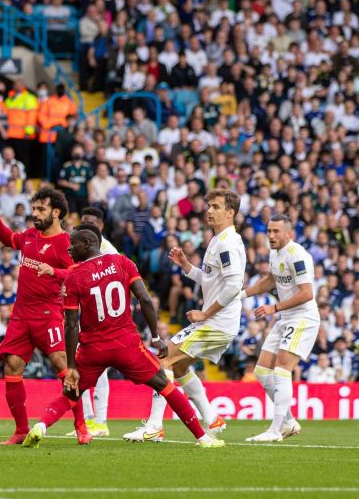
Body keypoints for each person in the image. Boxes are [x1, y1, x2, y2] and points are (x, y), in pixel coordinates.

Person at [22, 225, 225, 448]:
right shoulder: (122, 262)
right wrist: (156, 337)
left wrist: (71, 365)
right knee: (165, 386)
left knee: (71, 393)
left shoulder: (74, 277)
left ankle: (41, 426)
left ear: (88, 244)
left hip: (93, 349)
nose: (69, 249)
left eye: (74, 244)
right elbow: (145, 300)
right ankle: (203, 438)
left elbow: (71, 326)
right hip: (126, 344)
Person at [124, 190, 243, 442]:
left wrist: (205, 313)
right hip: (217, 322)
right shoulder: (218, 240)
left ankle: (155, 426)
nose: (209, 210)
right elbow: (212, 279)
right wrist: (187, 267)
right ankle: (212, 418)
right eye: (209, 205)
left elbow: (234, 286)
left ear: (230, 213)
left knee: (163, 361)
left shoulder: (227, 244)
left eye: (216, 206)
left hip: (217, 322)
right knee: (178, 367)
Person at [0, 188, 88, 445]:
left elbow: (77, 276)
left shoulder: (66, 243)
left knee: (62, 364)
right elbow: (9, 239)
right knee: (12, 367)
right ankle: (20, 430)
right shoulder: (30, 235)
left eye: (41, 209)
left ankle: (81, 425)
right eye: (34, 209)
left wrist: (54, 271)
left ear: (56, 212)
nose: (35, 214)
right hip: (21, 315)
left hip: (48, 314)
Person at [240, 214, 317, 442]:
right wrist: (242, 294)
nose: (271, 236)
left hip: (302, 318)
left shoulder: (297, 255)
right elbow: (270, 281)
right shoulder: (275, 254)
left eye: (276, 232)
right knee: (262, 372)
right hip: (285, 317)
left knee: (282, 371)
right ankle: (289, 422)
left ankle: (274, 431)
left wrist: (275, 307)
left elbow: (307, 293)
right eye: (269, 231)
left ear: (288, 234)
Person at [69, 206, 117, 436]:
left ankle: (100, 421)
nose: (87, 226)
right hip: (87, 313)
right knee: (83, 366)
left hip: (104, 316)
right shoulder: (80, 247)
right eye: (84, 222)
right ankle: (88, 421)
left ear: (101, 226)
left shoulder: (108, 251)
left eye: (92, 223)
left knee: (99, 369)